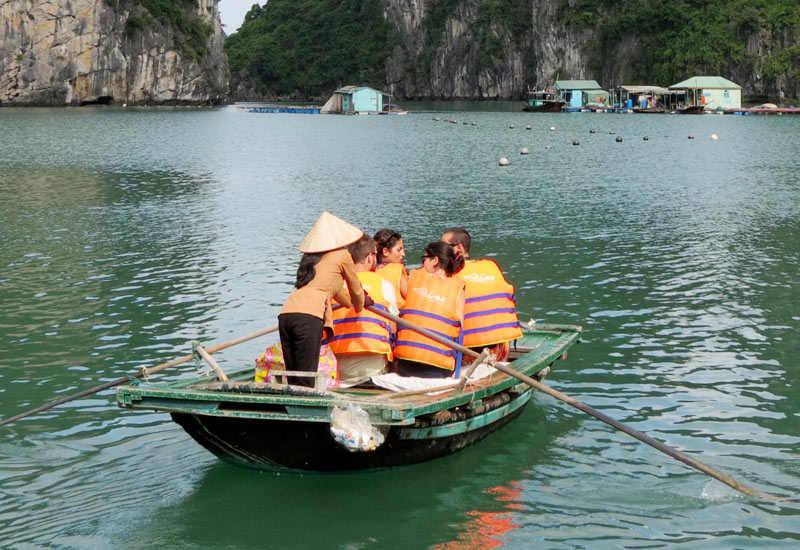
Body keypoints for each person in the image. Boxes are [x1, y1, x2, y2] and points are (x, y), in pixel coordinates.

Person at [278, 212, 366, 387]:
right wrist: (362, 303)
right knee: (306, 378)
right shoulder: (342, 255)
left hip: (286, 314)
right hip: (308, 317)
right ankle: (303, 412)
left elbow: (344, 297)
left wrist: (353, 301)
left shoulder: (311, 260)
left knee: (293, 376)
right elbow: (356, 290)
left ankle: (292, 410)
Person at [441, 227, 523, 362]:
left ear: (459, 248)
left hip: (469, 351)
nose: (441, 250)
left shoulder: (450, 274)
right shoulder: (491, 266)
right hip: (500, 350)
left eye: (444, 246)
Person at [329, 235, 399, 386]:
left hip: (338, 366)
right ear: (369, 258)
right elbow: (393, 328)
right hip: (372, 368)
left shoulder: (335, 285)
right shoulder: (384, 285)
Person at [393, 241, 465, 378]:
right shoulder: (458, 288)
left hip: (405, 367)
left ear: (435, 261)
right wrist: (457, 373)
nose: (422, 264)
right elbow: (460, 331)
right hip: (439, 370)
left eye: (424, 259)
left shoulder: (414, 278)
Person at [373, 228, 408, 307]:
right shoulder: (398, 273)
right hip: (395, 317)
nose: (403, 254)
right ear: (385, 251)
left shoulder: (368, 270)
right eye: (399, 250)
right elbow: (412, 300)